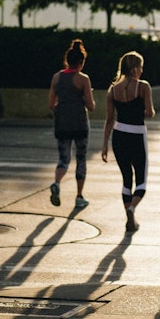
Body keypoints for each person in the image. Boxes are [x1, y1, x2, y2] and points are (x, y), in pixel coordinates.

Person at [102, 51, 155, 233]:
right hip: (137, 135)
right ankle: (132, 209)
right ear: (134, 69)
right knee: (141, 180)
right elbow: (149, 112)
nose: (141, 70)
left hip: (118, 135)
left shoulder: (113, 89)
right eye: (140, 67)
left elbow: (109, 119)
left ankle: (129, 216)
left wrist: (104, 145)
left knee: (126, 179)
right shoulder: (143, 86)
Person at [48, 38, 96, 208]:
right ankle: (79, 196)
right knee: (81, 159)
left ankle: (57, 183)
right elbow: (91, 106)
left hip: (62, 123)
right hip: (79, 124)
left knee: (64, 158)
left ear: (67, 60)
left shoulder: (56, 77)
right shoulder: (83, 79)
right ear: (81, 62)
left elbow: (50, 104)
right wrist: (84, 95)